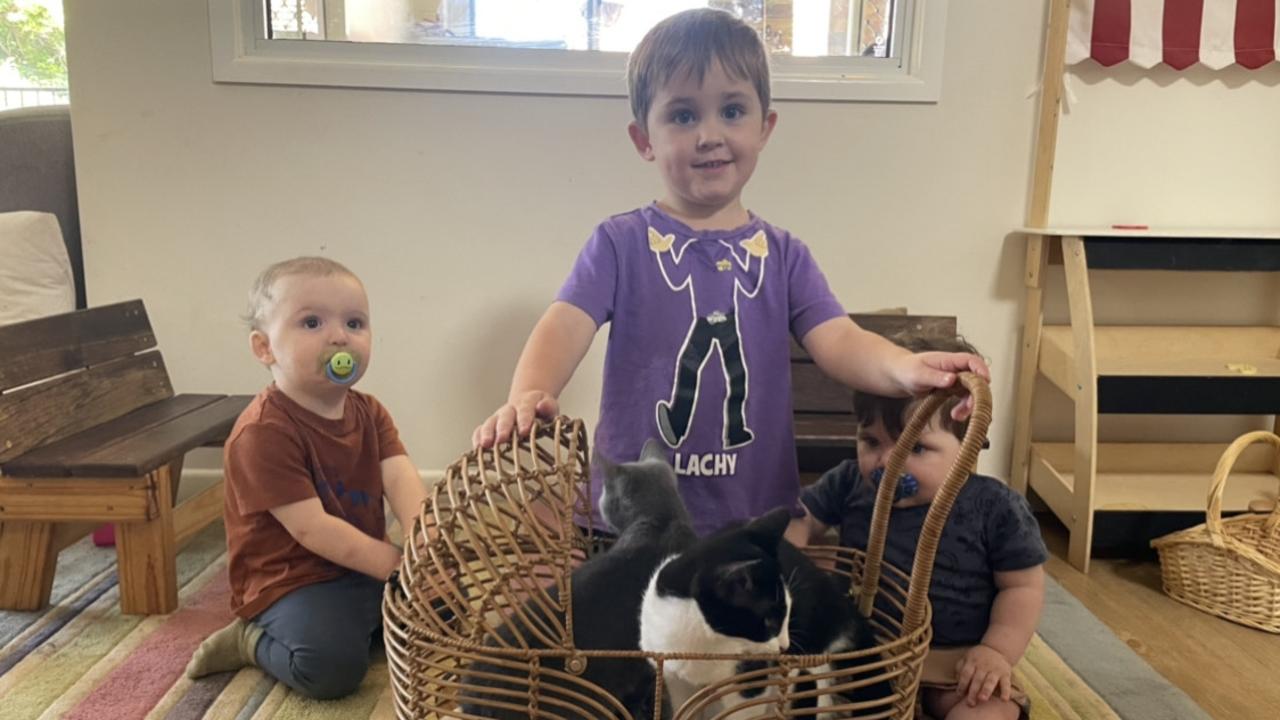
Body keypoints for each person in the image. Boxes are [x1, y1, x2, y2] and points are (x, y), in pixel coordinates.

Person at [472, 8, 988, 536]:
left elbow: (839, 340)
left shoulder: (785, 255)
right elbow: (564, 322)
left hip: (753, 515)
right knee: (612, 615)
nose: (709, 135)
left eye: (733, 110)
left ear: (765, 128)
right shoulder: (619, 243)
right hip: (634, 517)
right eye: (683, 115)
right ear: (643, 139)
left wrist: (904, 368)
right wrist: (528, 393)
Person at [185, 257, 427, 699]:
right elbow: (310, 529)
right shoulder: (263, 431)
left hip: (359, 564)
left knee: (448, 605)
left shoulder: (369, 411)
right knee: (331, 669)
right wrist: (395, 566)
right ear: (265, 348)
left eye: (355, 322)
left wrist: (420, 539)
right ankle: (250, 640)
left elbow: (399, 475)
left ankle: (368, 619)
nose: (339, 336)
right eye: (312, 322)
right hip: (290, 580)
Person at [788, 332, 1045, 720]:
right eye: (871, 441)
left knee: (985, 712)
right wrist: (788, 554)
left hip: (958, 666)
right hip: (866, 658)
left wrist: (996, 651)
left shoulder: (996, 506)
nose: (887, 462)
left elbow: (1022, 586)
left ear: (968, 448)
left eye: (917, 448)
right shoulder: (848, 483)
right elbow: (801, 515)